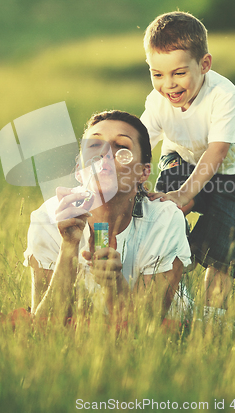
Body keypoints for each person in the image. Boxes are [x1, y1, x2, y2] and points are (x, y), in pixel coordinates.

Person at [140, 11, 235, 321]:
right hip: (180, 161)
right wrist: (120, 173)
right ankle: (173, 277)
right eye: (157, 74)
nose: (168, 85)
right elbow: (140, 142)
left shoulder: (224, 97)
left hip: (230, 176)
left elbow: (216, 152)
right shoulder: (157, 102)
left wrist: (184, 194)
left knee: (221, 252)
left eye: (178, 73)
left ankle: (212, 321)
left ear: (204, 65)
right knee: (163, 215)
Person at [24, 110, 191, 324]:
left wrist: (115, 285)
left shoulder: (164, 220)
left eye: (122, 147)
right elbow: (43, 325)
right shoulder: (49, 218)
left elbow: (146, 327)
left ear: (143, 172)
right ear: (78, 169)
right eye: (94, 145)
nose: (106, 155)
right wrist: (68, 246)